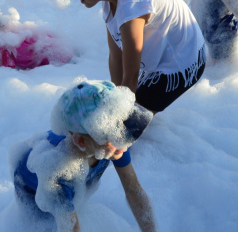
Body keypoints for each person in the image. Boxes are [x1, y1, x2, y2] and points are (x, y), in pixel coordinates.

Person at [65, 0, 206, 113]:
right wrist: (115, 98)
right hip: (167, 55)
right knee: (123, 108)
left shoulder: (132, 6)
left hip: (184, 62)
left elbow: (131, 73)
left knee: (130, 122)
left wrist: (120, 113)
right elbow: (116, 57)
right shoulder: (110, 0)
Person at [9, 80, 157, 231]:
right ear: (81, 141)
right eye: (113, 135)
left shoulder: (112, 147)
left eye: (122, 129)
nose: (123, 140)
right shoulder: (56, 172)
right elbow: (71, 227)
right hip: (34, 195)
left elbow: (134, 191)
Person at [0, 4, 73, 69]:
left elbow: (7, 69)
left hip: (57, 57)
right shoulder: (9, 30)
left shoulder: (0, 43)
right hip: (59, 45)